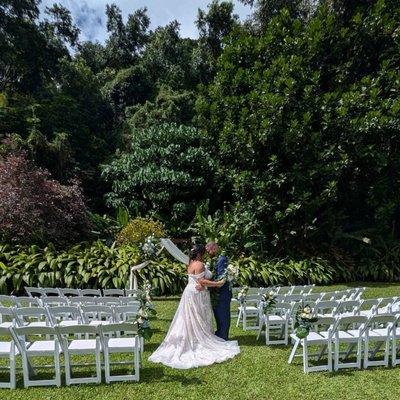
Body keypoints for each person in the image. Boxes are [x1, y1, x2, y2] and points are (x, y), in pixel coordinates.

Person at [148, 244, 240, 369]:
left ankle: (191, 337)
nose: (206, 255)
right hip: (197, 294)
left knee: (189, 317)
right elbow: (202, 281)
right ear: (200, 254)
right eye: (204, 253)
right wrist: (217, 283)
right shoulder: (200, 264)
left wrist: (202, 284)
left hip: (190, 292)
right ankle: (198, 339)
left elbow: (195, 280)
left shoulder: (190, 263)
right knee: (197, 316)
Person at [205, 242, 231, 340]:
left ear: (214, 248)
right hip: (216, 293)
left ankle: (223, 336)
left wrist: (209, 283)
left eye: (209, 251)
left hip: (222, 293)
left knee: (223, 315)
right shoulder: (215, 259)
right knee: (218, 315)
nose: (208, 253)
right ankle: (220, 334)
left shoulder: (221, 259)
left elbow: (221, 277)